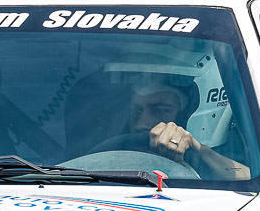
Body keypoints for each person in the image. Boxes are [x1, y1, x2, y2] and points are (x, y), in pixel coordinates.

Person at [96, 77, 251, 181]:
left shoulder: (200, 158)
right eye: (137, 111)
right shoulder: (111, 150)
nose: (142, 123)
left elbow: (251, 179)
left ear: (185, 115)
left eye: (161, 110)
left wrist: (199, 150)